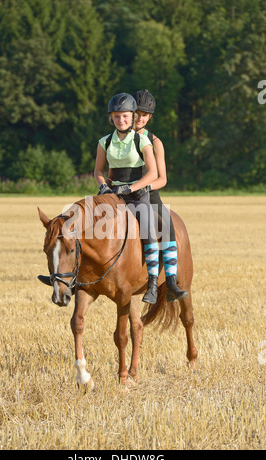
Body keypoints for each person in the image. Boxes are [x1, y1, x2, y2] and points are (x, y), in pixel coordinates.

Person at [95, 92, 159, 304]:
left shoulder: (143, 141)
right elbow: (98, 171)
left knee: (148, 230)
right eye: (116, 117)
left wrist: (131, 188)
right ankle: (80, 276)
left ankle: (152, 284)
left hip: (137, 195)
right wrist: (103, 186)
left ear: (132, 117)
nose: (120, 120)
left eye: (124, 116)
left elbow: (152, 173)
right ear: (111, 118)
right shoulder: (104, 142)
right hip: (112, 194)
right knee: (86, 223)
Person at [132, 89, 188, 302]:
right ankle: (76, 278)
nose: (139, 118)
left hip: (148, 193)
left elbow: (162, 178)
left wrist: (144, 187)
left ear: (150, 117)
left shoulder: (155, 142)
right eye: (136, 113)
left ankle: (171, 282)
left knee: (166, 225)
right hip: (121, 192)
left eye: (144, 114)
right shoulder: (118, 138)